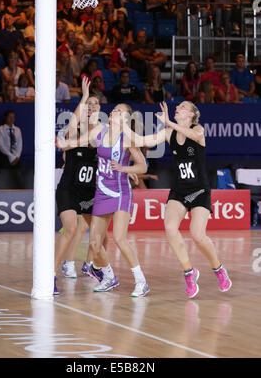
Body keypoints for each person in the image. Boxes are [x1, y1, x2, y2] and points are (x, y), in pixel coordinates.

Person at [57, 103, 150, 297]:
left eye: (119, 110)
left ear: (126, 118)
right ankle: (108, 276)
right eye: (114, 109)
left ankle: (141, 280)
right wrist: (64, 144)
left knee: (119, 238)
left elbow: (142, 166)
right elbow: (79, 140)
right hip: (101, 192)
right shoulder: (100, 130)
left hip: (120, 192)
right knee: (94, 244)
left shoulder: (127, 139)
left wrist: (125, 170)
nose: (114, 111)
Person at [156, 101, 232, 297]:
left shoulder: (198, 129)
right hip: (179, 191)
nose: (178, 108)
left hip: (199, 190)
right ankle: (189, 272)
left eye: (182, 107)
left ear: (191, 114)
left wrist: (168, 123)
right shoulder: (169, 133)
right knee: (170, 228)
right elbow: (144, 140)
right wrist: (122, 130)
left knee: (197, 235)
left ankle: (218, 269)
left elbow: (195, 135)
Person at [54, 79, 105, 293]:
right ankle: (53, 273)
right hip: (69, 187)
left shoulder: (102, 131)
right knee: (71, 229)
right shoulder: (74, 131)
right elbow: (73, 123)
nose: (92, 106)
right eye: (88, 104)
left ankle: (92, 266)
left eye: (95, 103)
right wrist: (83, 97)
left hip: (89, 190)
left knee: (101, 233)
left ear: (100, 108)